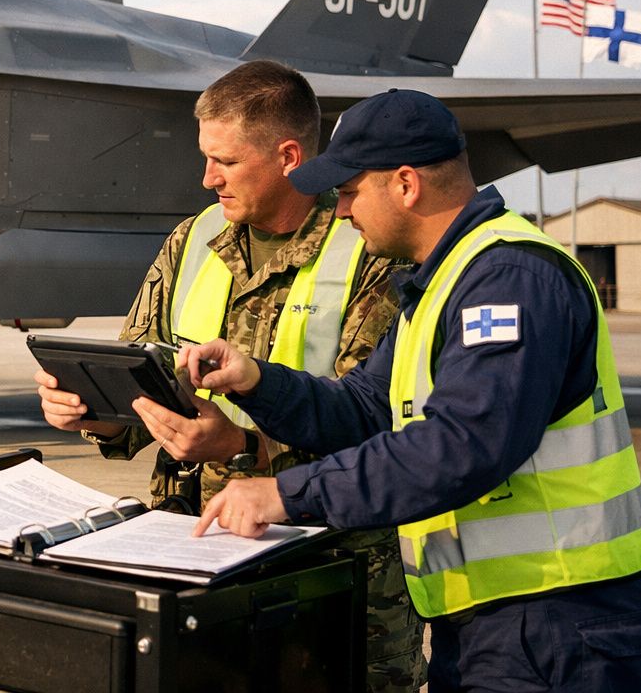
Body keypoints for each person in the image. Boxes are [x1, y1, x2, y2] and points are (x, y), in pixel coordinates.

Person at [191, 88, 641, 691]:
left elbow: (466, 444)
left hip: (556, 619)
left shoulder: (508, 277)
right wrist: (258, 381)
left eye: (348, 191)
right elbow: (366, 407)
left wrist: (287, 494)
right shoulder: (443, 280)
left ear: (406, 184)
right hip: (490, 620)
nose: (339, 212)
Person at [35, 60, 425, 692]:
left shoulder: (367, 249)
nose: (207, 178)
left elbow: (379, 426)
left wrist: (244, 448)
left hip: (327, 578)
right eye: (205, 158)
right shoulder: (194, 238)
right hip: (191, 564)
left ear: (289, 156)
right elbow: (141, 373)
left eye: (227, 162)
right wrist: (90, 406)